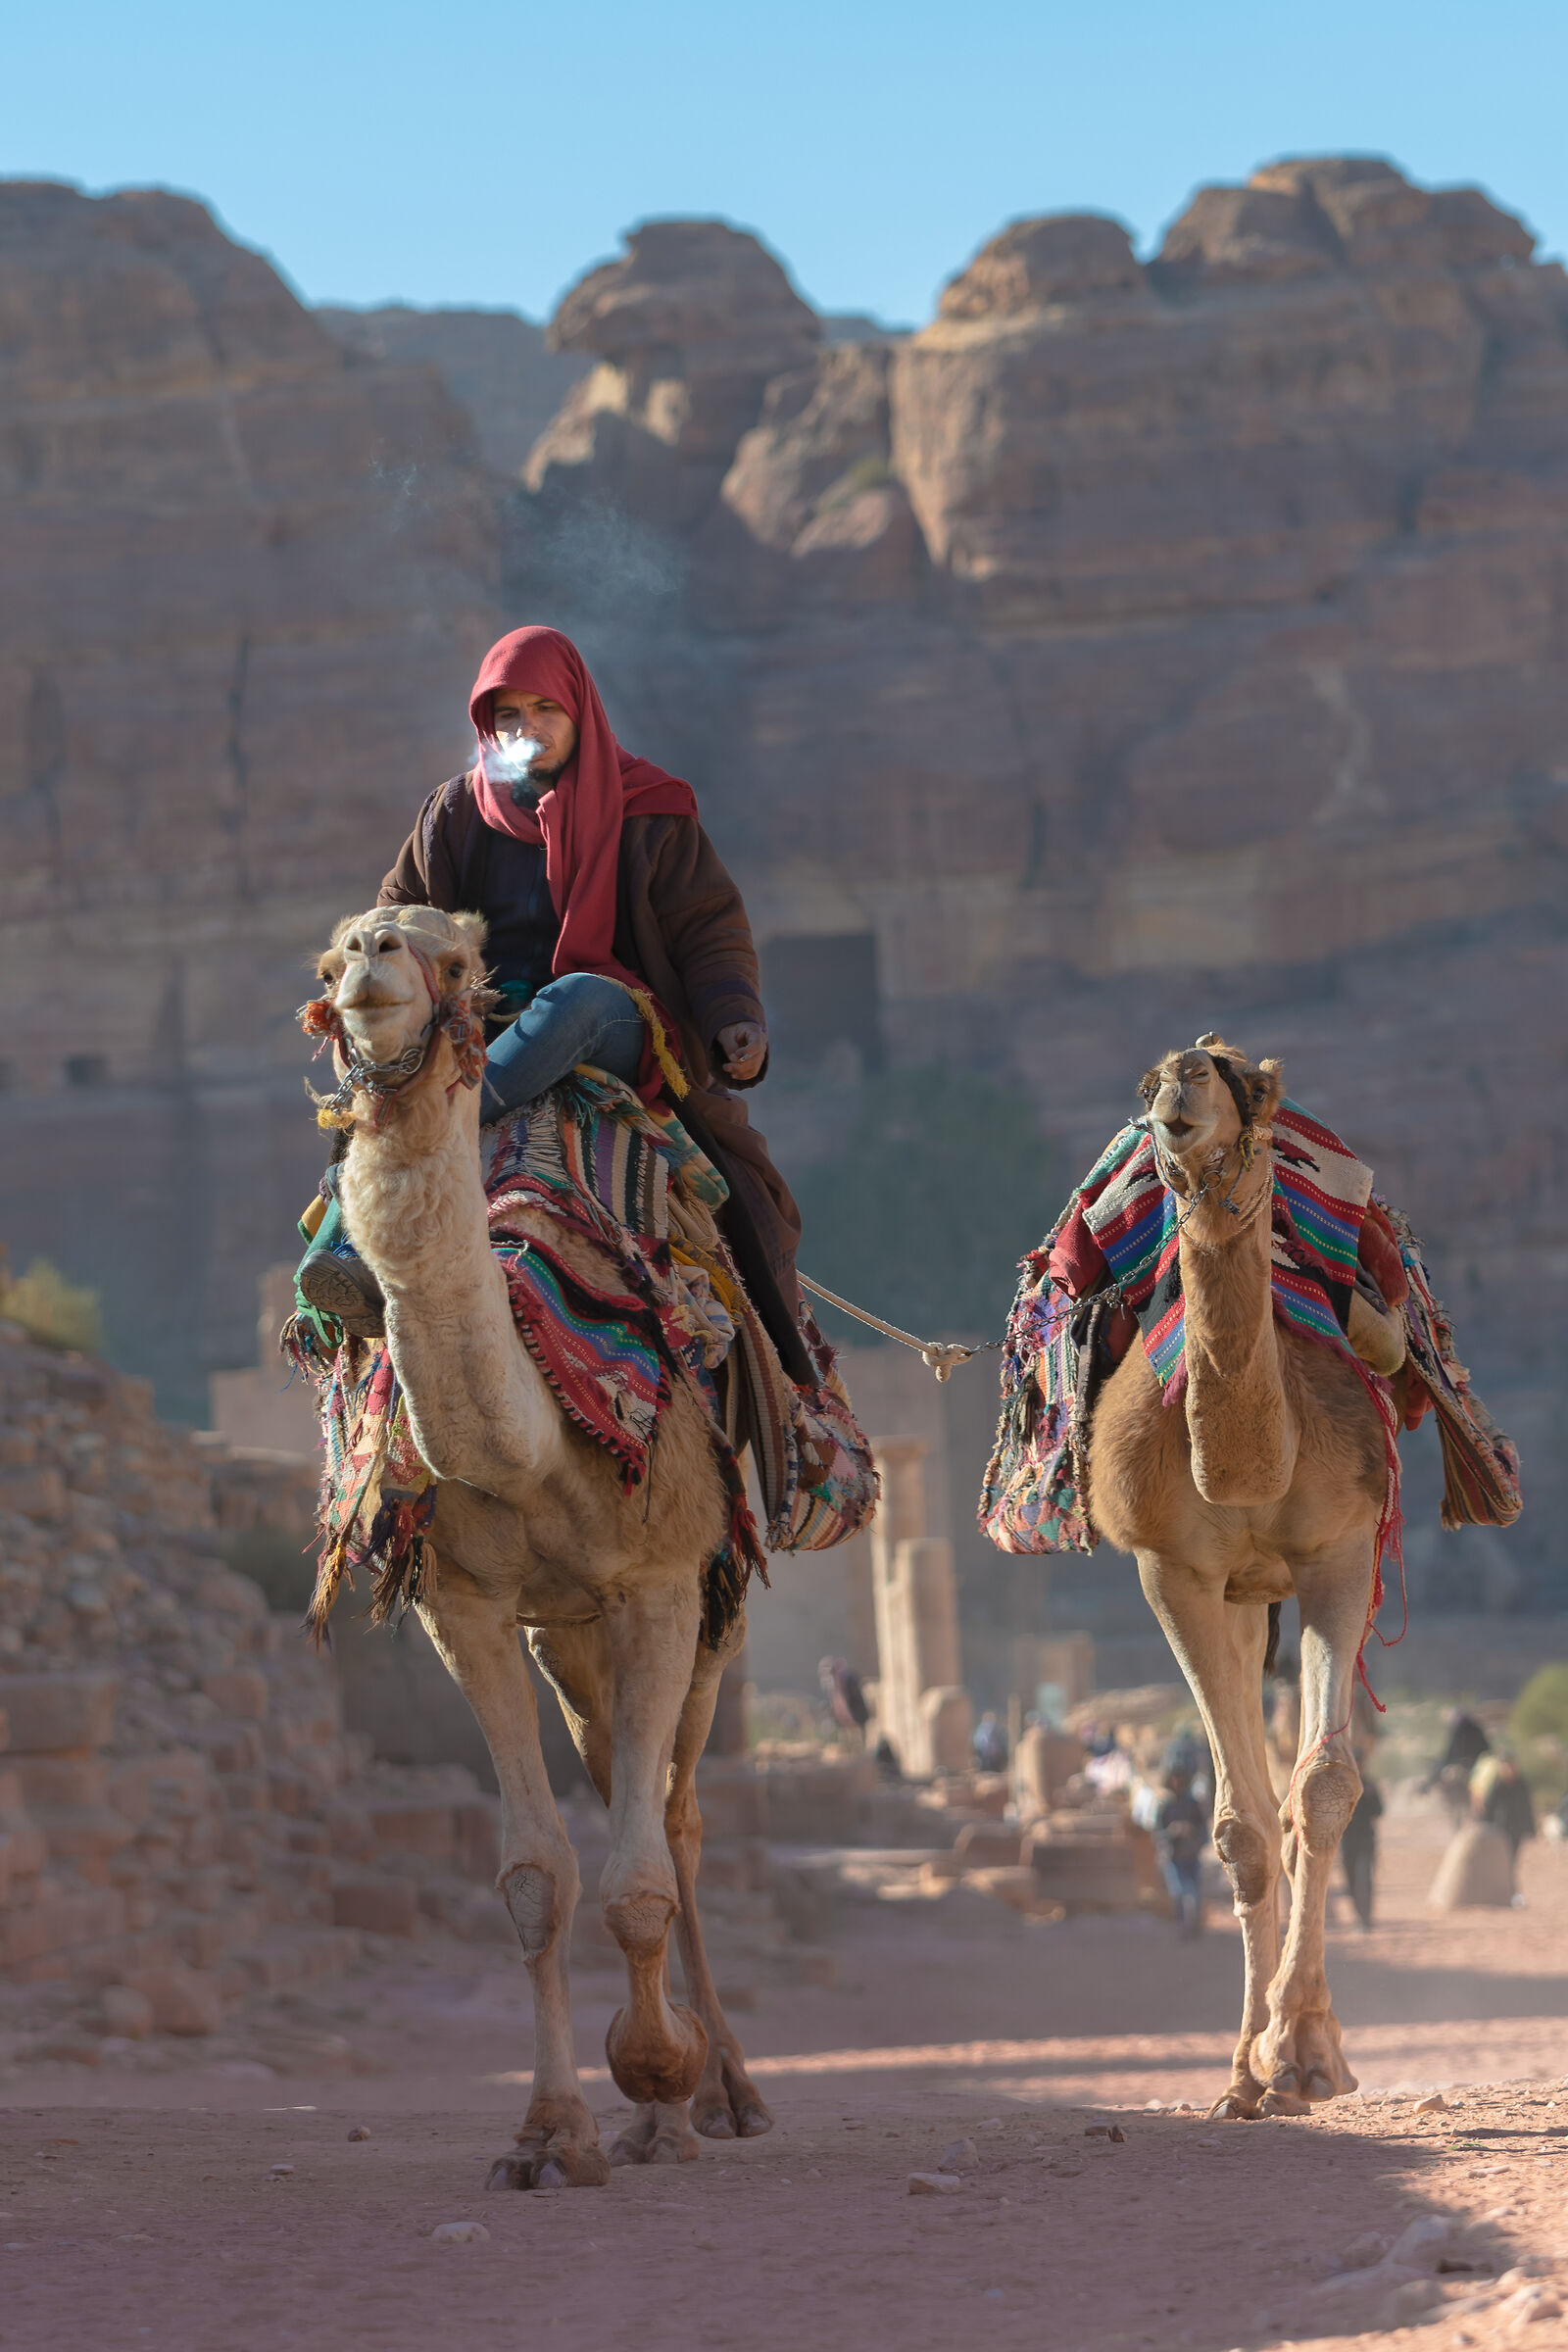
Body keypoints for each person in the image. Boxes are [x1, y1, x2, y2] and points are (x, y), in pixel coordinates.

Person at [297, 625, 807, 1372]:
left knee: (577, 998)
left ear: (580, 712)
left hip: (612, 1020)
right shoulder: (453, 815)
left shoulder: (650, 809)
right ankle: (344, 1259)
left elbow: (707, 928)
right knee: (384, 1049)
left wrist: (735, 1017)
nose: (525, 728)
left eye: (544, 709)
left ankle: (445, 1117)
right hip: (481, 1028)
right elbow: (397, 917)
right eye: (507, 715)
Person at [1153, 1767, 1209, 1938]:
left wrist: (1190, 1831)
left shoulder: (1193, 1805)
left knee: (1195, 1893)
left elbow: (1203, 1832)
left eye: (1180, 1779)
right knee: (1178, 1893)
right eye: (1174, 1780)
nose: (1177, 1783)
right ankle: (1182, 1927)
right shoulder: (1165, 1807)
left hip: (1191, 1856)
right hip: (1173, 1857)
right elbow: (1157, 1835)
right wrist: (1172, 1831)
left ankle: (1195, 1928)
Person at [1477, 1751, 1537, 1903]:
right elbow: (1488, 1808)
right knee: (1502, 1863)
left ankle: (1512, 1893)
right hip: (1500, 1830)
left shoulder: (1521, 1784)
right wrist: (1483, 1827)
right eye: (1506, 1767)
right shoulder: (1498, 1785)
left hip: (1516, 1830)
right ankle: (1504, 1893)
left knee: (1511, 1862)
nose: (1509, 1770)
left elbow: (1527, 1808)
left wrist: (1531, 1829)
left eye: (1512, 1766)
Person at [1421, 1708, 1493, 1824]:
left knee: (1438, 1768)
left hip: (1466, 1763)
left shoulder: (1458, 1730)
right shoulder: (1475, 1729)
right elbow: (1486, 1748)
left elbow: (1451, 1752)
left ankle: (1425, 1788)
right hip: (1478, 1762)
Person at [1340, 1774, 1383, 1931]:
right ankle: (1359, 1915)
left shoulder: (1369, 1785)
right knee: (1351, 1881)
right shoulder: (1341, 1786)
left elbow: (1379, 1811)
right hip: (1347, 1842)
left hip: (1366, 1841)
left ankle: (1365, 1918)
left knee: (1364, 1880)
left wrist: (1370, 1796)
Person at [972, 1711, 1008, 1775]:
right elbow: (978, 1743)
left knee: (995, 1773)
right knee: (984, 1772)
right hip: (984, 1757)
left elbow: (1001, 1743)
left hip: (995, 1758)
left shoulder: (997, 1730)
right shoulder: (980, 1731)